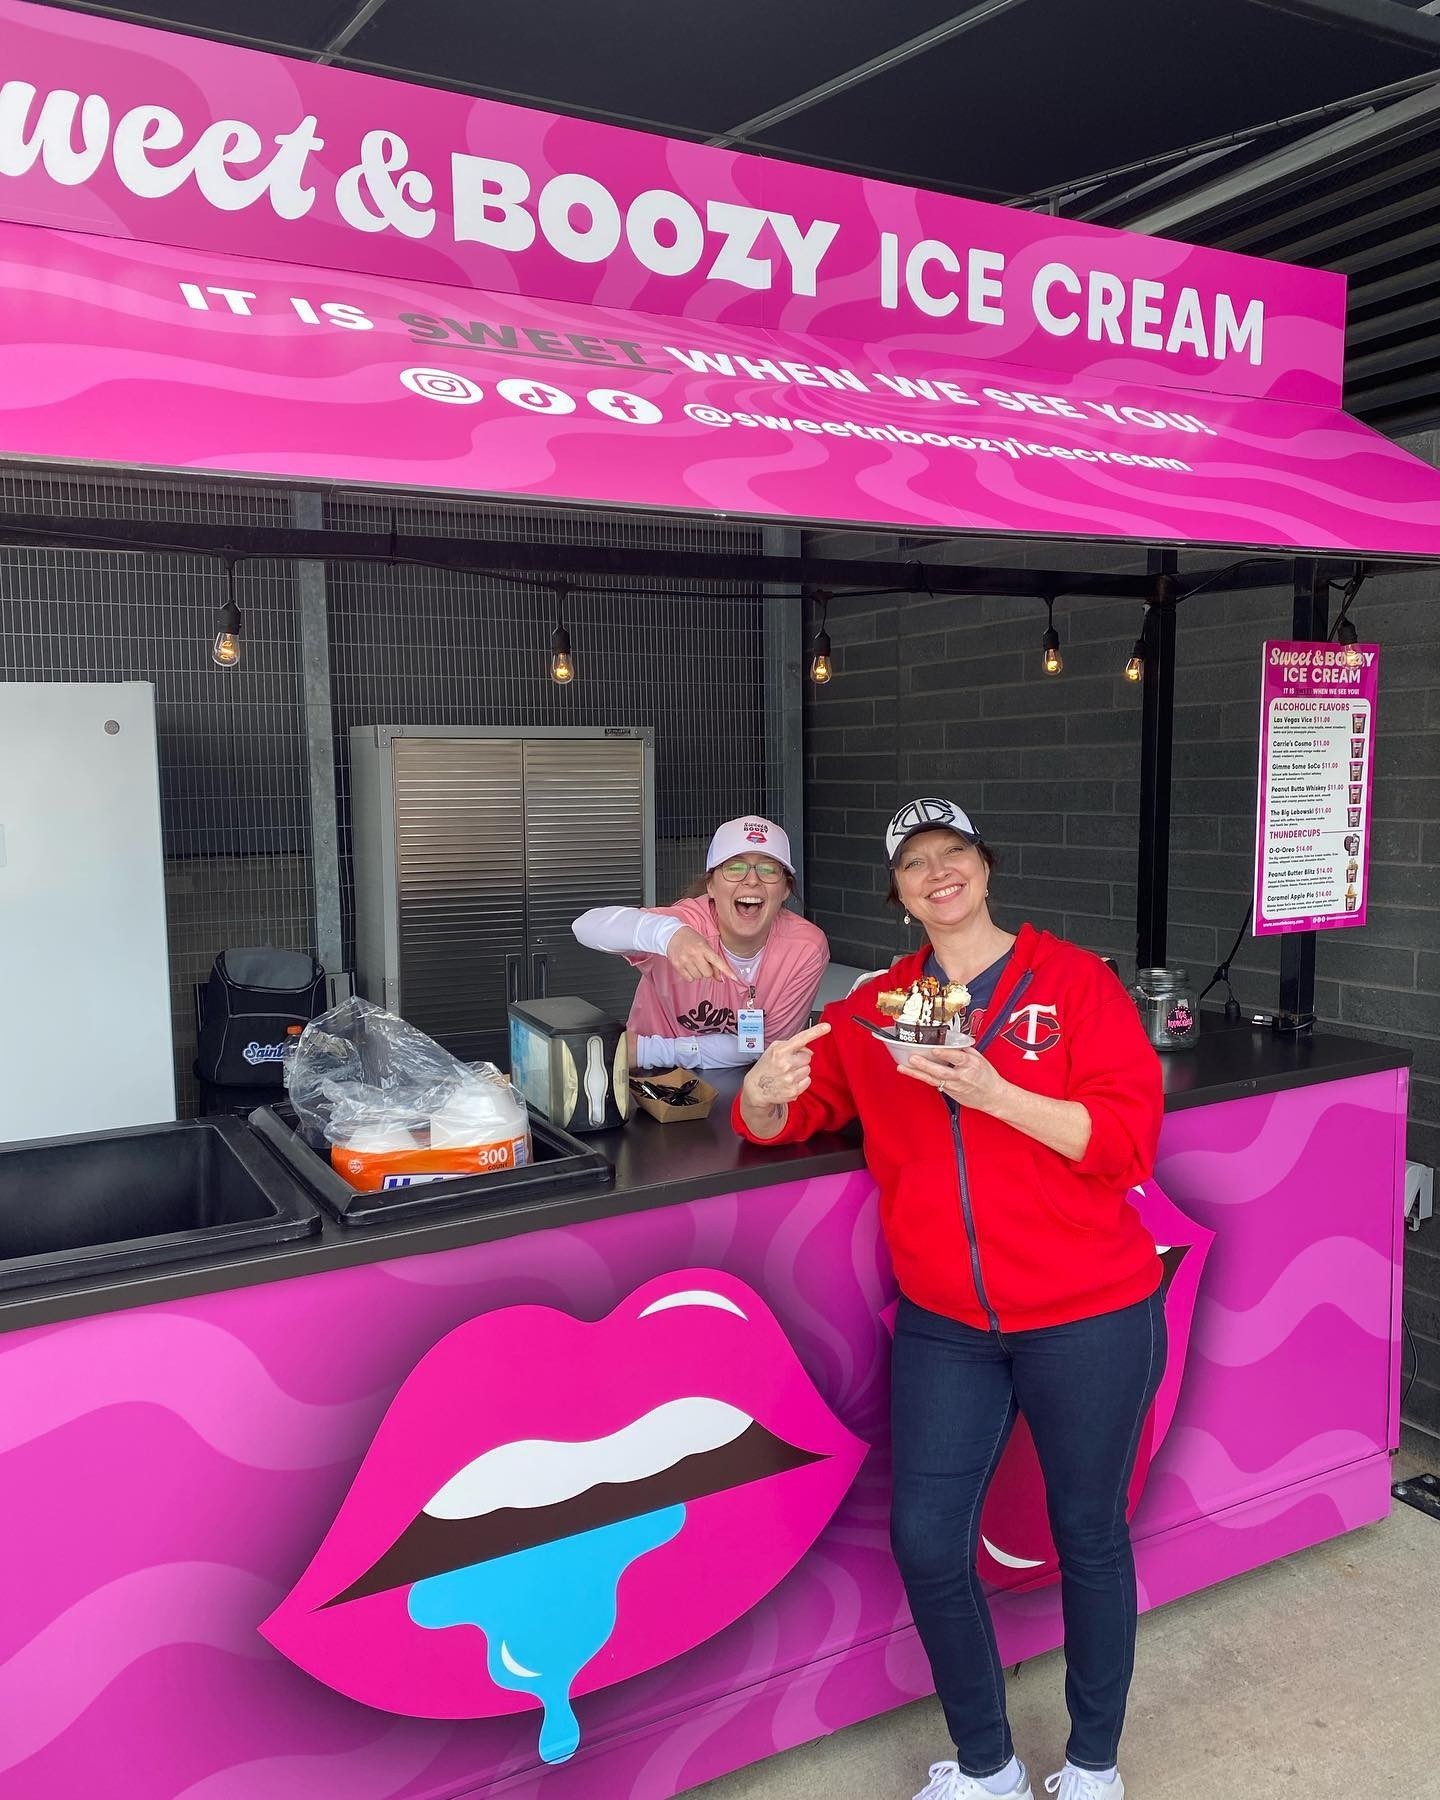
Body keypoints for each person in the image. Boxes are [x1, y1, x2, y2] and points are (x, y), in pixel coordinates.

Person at [734, 797, 1165, 1800]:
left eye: (955, 853)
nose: (938, 872)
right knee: (927, 1541)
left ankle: (1095, 1762)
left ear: (986, 866)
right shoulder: (878, 1006)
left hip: (1091, 1312)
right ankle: (989, 1764)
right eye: (915, 862)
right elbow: (795, 1111)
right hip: (950, 1326)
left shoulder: (1076, 984)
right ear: (896, 892)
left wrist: (997, 1094)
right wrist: (762, 1097)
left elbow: (1125, 1143)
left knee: (1090, 1534)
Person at [572, 815, 828, 1070]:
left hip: (744, 1081)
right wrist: (667, 935)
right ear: (711, 887)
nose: (752, 880)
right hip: (649, 1079)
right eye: (735, 867)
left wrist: (646, 1051)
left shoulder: (805, 948)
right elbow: (586, 925)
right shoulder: (685, 924)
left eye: (769, 869)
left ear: (785, 889)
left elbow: (769, 1046)